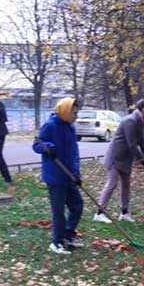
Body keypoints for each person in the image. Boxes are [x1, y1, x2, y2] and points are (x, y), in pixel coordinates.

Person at [33, 97, 83, 254]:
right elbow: (36, 145)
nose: (76, 116)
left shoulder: (70, 128)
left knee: (77, 206)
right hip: (55, 176)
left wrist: (76, 173)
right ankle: (56, 242)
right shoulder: (50, 126)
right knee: (58, 211)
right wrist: (48, 147)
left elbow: (74, 152)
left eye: (77, 113)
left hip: (69, 175)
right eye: (74, 113)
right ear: (65, 111)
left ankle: (68, 235)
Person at [94, 98, 144, 223]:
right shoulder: (130, 121)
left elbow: (142, 143)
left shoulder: (141, 121)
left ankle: (124, 213)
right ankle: (99, 213)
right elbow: (132, 144)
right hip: (116, 156)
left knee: (126, 186)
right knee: (112, 184)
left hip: (126, 159)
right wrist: (143, 161)